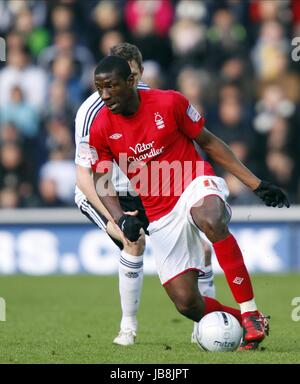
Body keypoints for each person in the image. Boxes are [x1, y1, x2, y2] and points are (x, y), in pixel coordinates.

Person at [89, 56, 289, 350]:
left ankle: (248, 308)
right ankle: (252, 320)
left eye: (112, 87)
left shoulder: (170, 103)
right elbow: (101, 178)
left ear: (131, 81)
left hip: (193, 183)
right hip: (160, 212)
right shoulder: (101, 127)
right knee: (186, 303)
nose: (105, 96)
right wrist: (120, 218)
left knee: (209, 217)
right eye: (99, 89)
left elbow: (208, 142)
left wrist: (255, 184)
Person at [74, 43, 216, 346]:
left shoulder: (149, 97)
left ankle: (207, 325)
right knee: (133, 242)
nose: (132, 82)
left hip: (151, 189)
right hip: (104, 193)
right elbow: (85, 177)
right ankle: (128, 327)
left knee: (203, 250)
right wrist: (118, 216)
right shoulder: (91, 112)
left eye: (136, 75)